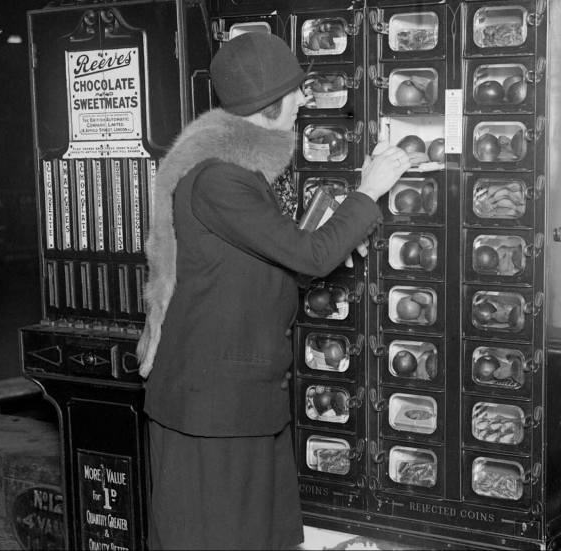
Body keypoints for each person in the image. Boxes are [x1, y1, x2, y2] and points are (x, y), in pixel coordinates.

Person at [136, 31, 411, 550]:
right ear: (267, 106)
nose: (305, 99)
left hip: (237, 398)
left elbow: (260, 264)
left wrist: (322, 243)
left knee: (253, 536)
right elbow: (310, 254)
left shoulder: (230, 172)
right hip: (213, 407)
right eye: (296, 90)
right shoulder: (219, 179)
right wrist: (369, 190)